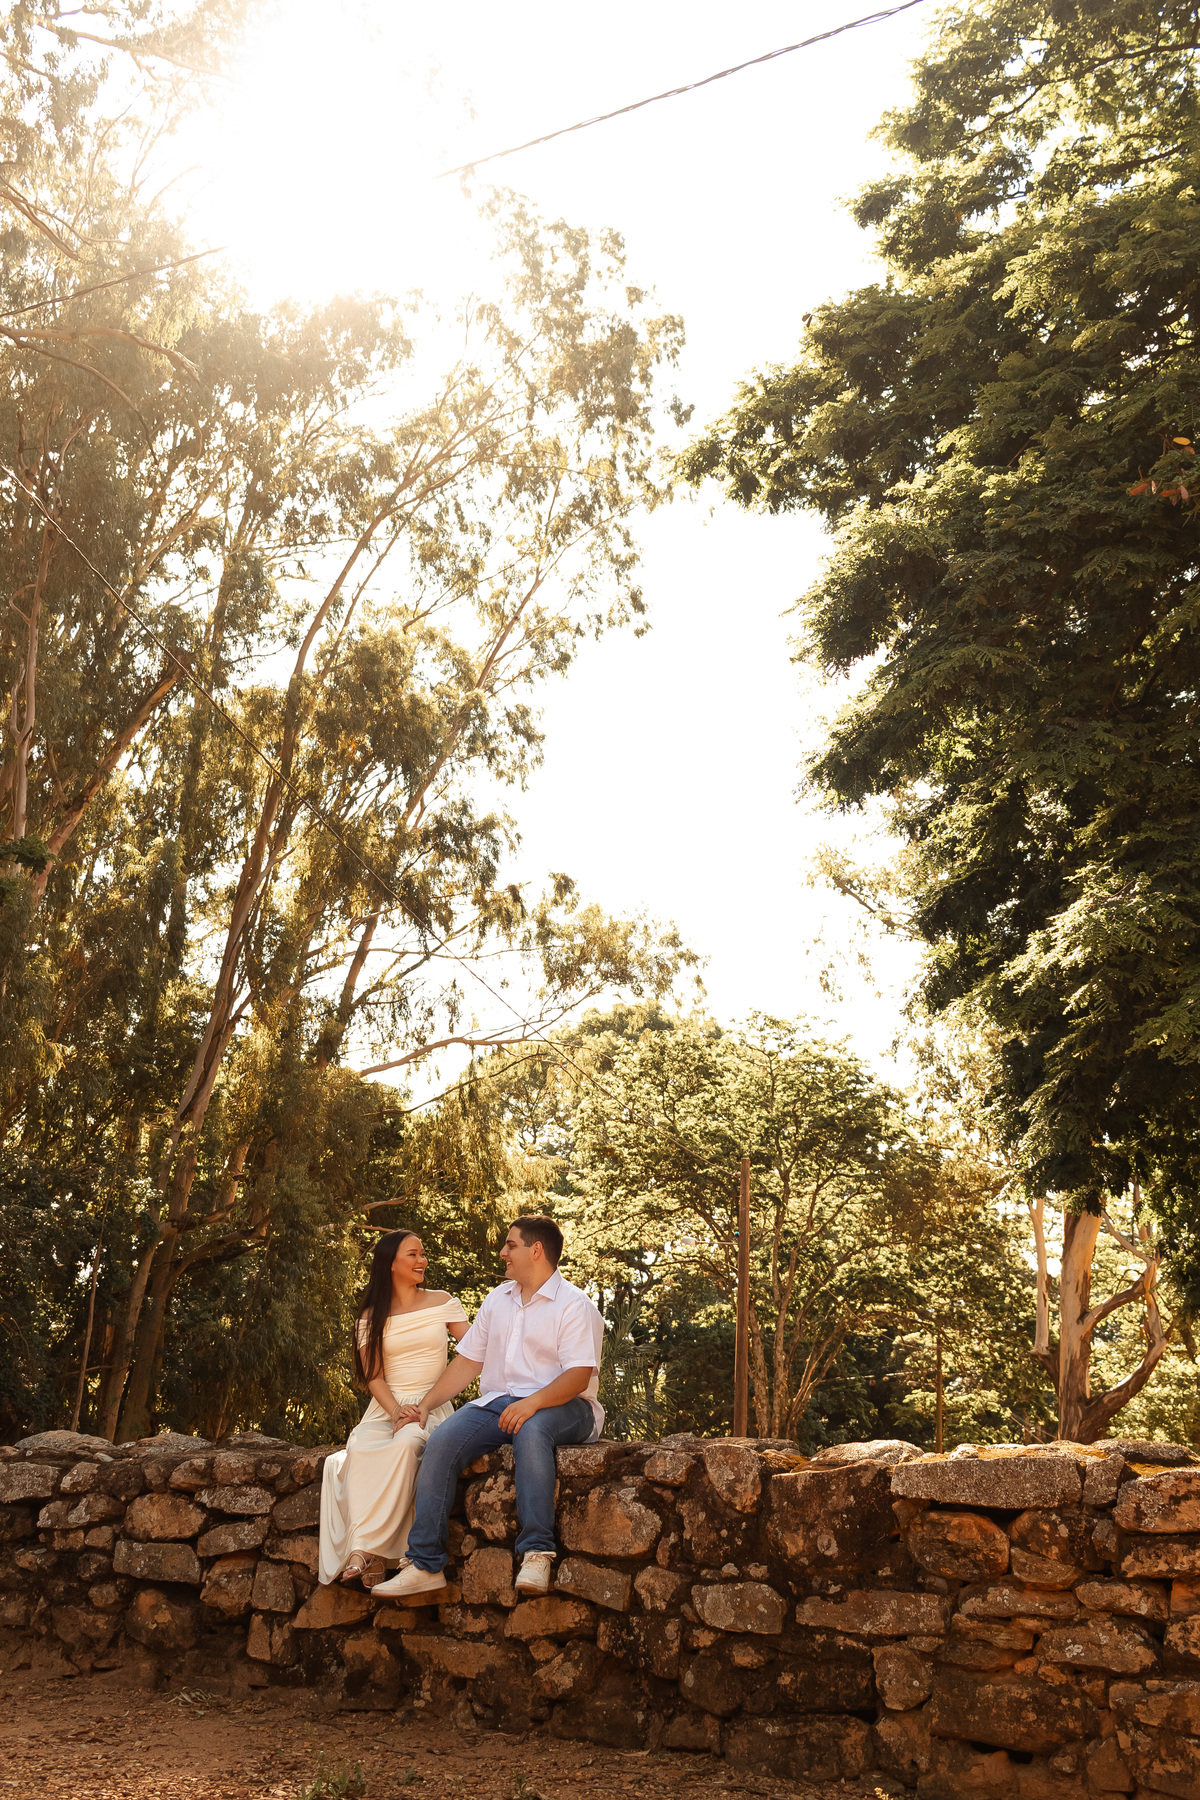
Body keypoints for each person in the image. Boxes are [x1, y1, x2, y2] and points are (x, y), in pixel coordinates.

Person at [372, 1214, 603, 1600]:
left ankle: (536, 1552)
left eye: (510, 1245)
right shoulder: (499, 1299)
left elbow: (578, 1376)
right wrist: (425, 1406)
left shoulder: (574, 1304)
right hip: (499, 1402)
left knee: (533, 1430)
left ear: (536, 1250)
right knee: (441, 1441)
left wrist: (532, 1403)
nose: (502, 1253)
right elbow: (467, 1361)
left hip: (567, 1405)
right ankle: (425, 1564)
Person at [318, 1228, 469, 1588]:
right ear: (390, 1264)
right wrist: (396, 1411)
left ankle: (363, 1551)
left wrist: (420, 1408)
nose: (422, 1261)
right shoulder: (370, 1316)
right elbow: (373, 1376)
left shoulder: (443, 1301)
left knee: (408, 1444)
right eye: (413, 1255)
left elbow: (476, 1350)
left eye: (423, 1254)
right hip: (386, 1407)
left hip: (431, 1405)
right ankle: (365, 1550)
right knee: (361, 1447)